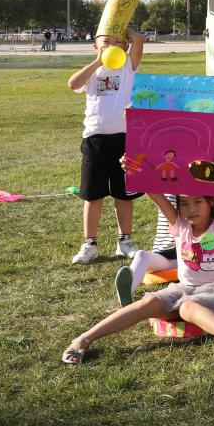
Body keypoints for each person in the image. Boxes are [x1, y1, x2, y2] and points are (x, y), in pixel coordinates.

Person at [61, 161, 214, 364]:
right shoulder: (179, 225)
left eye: (197, 201)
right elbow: (155, 194)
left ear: (210, 201)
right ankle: (84, 338)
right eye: (184, 203)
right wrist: (136, 171)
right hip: (181, 289)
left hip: (212, 293)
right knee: (147, 303)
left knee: (187, 308)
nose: (191, 209)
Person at [68, 28, 145, 264]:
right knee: (93, 195)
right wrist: (98, 60)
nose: (111, 45)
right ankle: (89, 243)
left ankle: (125, 241)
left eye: (118, 42)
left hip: (124, 139)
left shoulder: (128, 68)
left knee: (123, 195)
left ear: (125, 47)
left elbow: (139, 40)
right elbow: (73, 84)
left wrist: (123, 27)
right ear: (95, 47)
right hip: (95, 140)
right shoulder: (93, 72)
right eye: (105, 42)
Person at [115, 194, 178, 306]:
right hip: (165, 257)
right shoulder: (165, 192)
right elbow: (153, 191)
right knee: (141, 255)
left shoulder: (198, 199)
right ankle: (128, 290)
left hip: (190, 256)